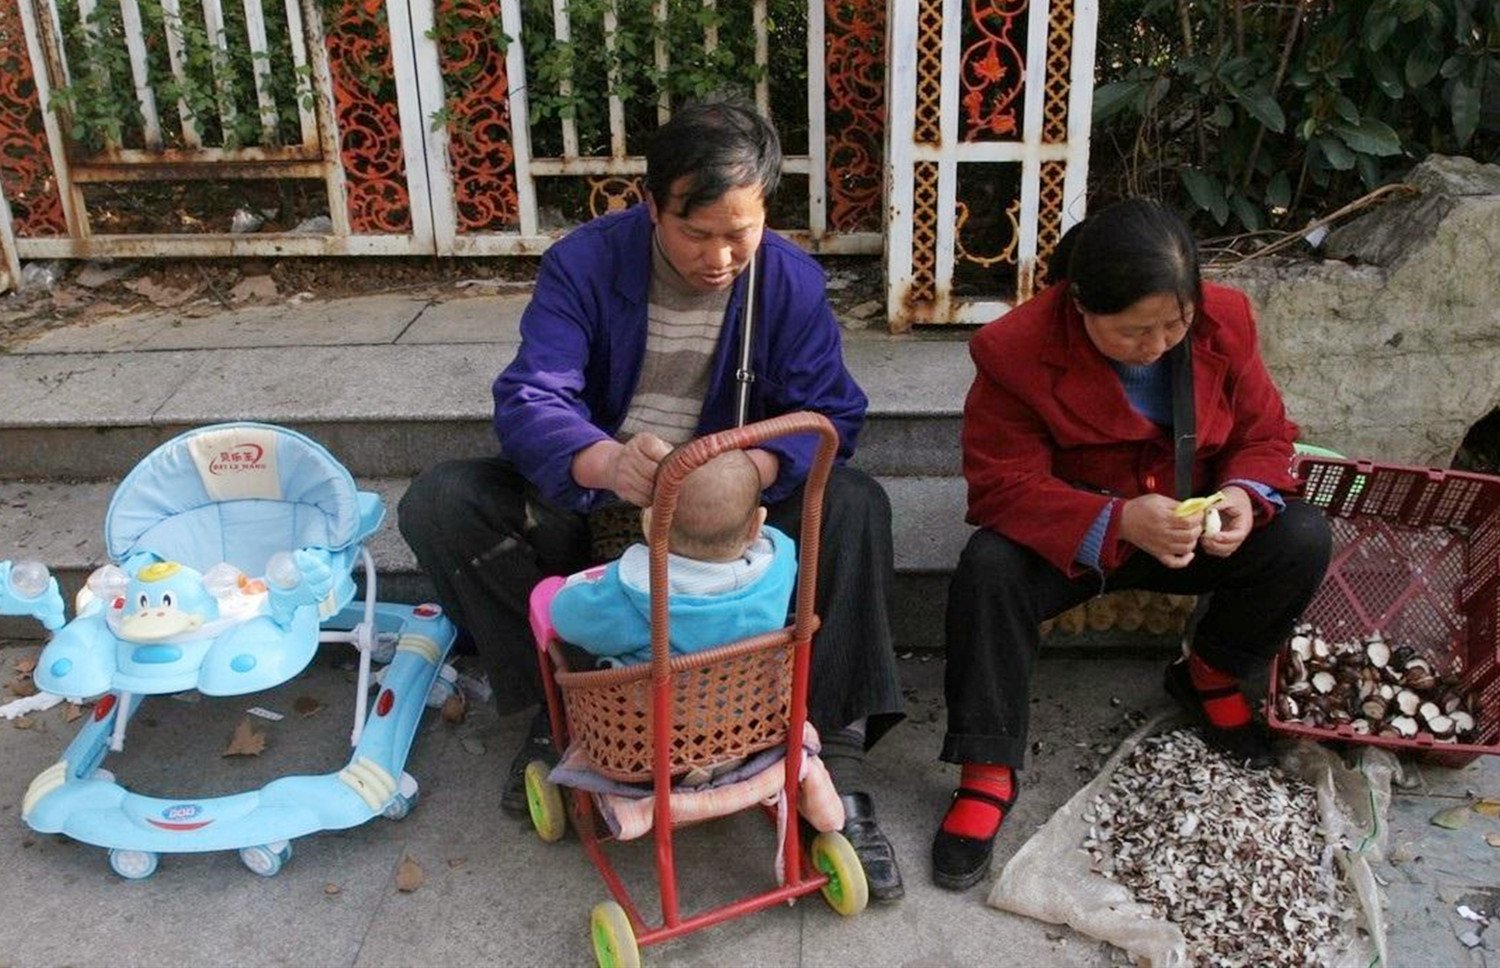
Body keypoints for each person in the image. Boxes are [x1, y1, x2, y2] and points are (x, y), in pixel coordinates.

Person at [398, 96, 905, 900]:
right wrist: (600, 459)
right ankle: (558, 713)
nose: (719, 257)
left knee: (856, 504)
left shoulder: (790, 281)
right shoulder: (585, 264)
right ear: (650, 206)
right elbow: (532, 395)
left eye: (739, 233)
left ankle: (826, 759)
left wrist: (755, 471)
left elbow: (833, 412)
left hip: (726, 512)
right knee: (442, 501)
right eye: (695, 232)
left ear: (765, 211)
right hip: (597, 495)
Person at [930, 197, 1333, 892]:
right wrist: (1116, 520)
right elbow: (1001, 484)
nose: (1157, 346)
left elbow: (1266, 435)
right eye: (1132, 333)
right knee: (988, 566)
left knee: (1301, 535)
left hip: (1189, 527)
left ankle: (1208, 673)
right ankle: (987, 767)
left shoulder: (1225, 319)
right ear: (1080, 303)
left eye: (1174, 324)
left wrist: (1241, 495)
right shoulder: (1014, 349)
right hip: (1076, 541)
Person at [548, 449, 795, 666]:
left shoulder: (637, 593)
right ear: (756, 525)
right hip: (754, 707)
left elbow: (566, 618)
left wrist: (566, 591)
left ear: (650, 522)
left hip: (652, 713)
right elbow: (771, 537)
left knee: (573, 659)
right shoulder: (779, 565)